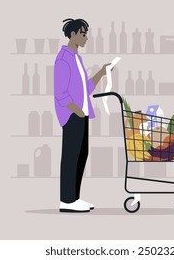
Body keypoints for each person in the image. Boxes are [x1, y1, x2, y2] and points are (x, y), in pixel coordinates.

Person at [54, 18, 110, 212]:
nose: (87, 38)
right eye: (83, 34)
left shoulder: (77, 58)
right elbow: (60, 93)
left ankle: (74, 198)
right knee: (70, 157)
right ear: (73, 35)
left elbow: (85, 87)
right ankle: (66, 201)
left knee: (81, 155)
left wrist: (101, 73)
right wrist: (76, 110)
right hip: (72, 115)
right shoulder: (63, 58)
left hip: (82, 114)